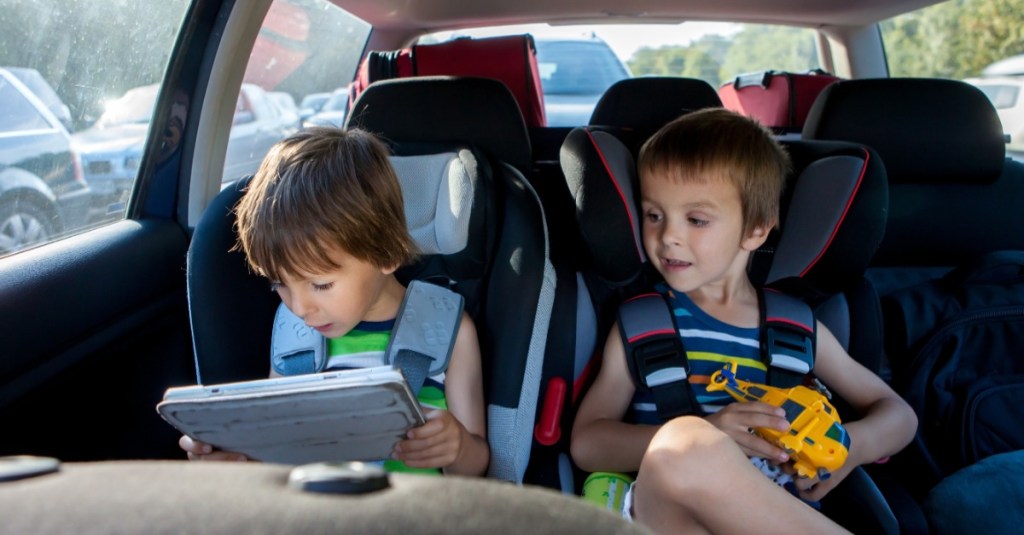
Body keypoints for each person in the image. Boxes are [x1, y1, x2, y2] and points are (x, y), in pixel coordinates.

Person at [570, 108, 917, 533]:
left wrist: (850, 448)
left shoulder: (798, 329)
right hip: (666, 518)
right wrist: (707, 432)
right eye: (653, 215)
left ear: (755, 230)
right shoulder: (642, 326)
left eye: (696, 219)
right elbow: (586, 444)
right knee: (686, 444)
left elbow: (899, 416)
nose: (668, 236)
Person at [180, 127, 490, 477]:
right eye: (279, 284)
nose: (299, 308)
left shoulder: (448, 332)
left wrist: (458, 445)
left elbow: (475, 468)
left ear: (386, 253)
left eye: (321, 284)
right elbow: (278, 448)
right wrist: (233, 456)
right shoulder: (292, 335)